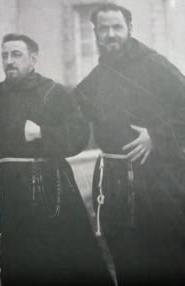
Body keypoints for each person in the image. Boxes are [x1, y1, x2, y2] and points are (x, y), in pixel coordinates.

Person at [0, 33, 114, 285]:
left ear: (33, 58)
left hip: (47, 187)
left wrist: (42, 132)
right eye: (5, 55)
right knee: (9, 261)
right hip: (3, 192)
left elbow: (79, 134)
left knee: (53, 258)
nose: (9, 60)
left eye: (16, 54)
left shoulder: (53, 91)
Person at [74, 3, 185, 285]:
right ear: (96, 33)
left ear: (130, 29)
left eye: (117, 27)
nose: (111, 34)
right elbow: (67, 113)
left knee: (168, 260)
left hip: (160, 182)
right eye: (104, 29)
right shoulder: (96, 79)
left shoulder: (155, 63)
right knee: (127, 261)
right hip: (115, 185)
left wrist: (157, 135)